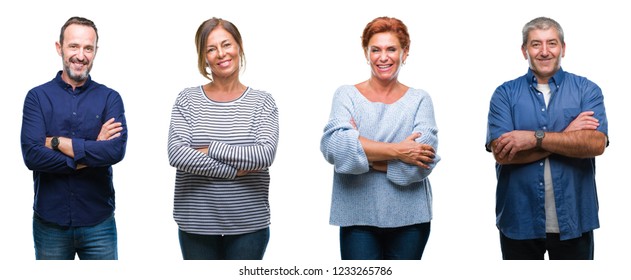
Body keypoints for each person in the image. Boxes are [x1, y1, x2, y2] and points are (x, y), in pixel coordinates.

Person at [485, 16, 608, 260]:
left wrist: (533, 138)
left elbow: (595, 144)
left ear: (563, 48)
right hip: (519, 218)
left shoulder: (587, 90)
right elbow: (502, 154)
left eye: (551, 43)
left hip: (575, 219)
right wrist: (567, 136)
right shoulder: (504, 94)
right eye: (535, 44)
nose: (544, 51)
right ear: (524, 50)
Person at [320, 16, 440, 260]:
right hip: (357, 218)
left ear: (405, 53)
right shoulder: (347, 96)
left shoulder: (420, 100)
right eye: (375, 49)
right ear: (366, 53)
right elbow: (334, 148)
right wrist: (399, 151)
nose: (383, 57)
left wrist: (360, 151)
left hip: (411, 219)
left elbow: (422, 163)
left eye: (391, 49)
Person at [167, 17, 279, 260]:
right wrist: (234, 171)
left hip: (249, 224)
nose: (221, 53)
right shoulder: (187, 100)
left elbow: (264, 155)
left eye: (226, 44)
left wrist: (208, 150)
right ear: (204, 57)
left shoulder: (262, 102)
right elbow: (177, 154)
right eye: (211, 48)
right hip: (195, 224)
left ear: (239, 46)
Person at [20, 16, 127, 260]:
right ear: (60, 48)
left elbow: (115, 152)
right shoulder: (37, 97)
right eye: (74, 46)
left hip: (99, 223)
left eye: (88, 48)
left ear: (95, 51)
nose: (81, 55)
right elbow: (32, 156)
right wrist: (90, 153)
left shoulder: (110, 98)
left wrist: (56, 142)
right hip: (50, 224)